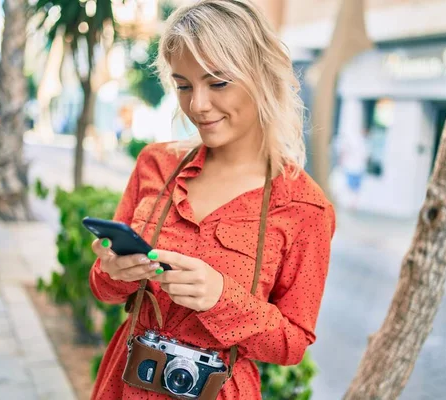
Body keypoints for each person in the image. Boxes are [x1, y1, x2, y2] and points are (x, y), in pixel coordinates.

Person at [89, 1, 336, 399]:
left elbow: (292, 343)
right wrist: (113, 272)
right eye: (184, 85)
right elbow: (102, 288)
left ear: (263, 78)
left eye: (217, 82)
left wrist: (223, 298)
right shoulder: (156, 164)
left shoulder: (305, 208)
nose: (197, 105)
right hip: (126, 383)